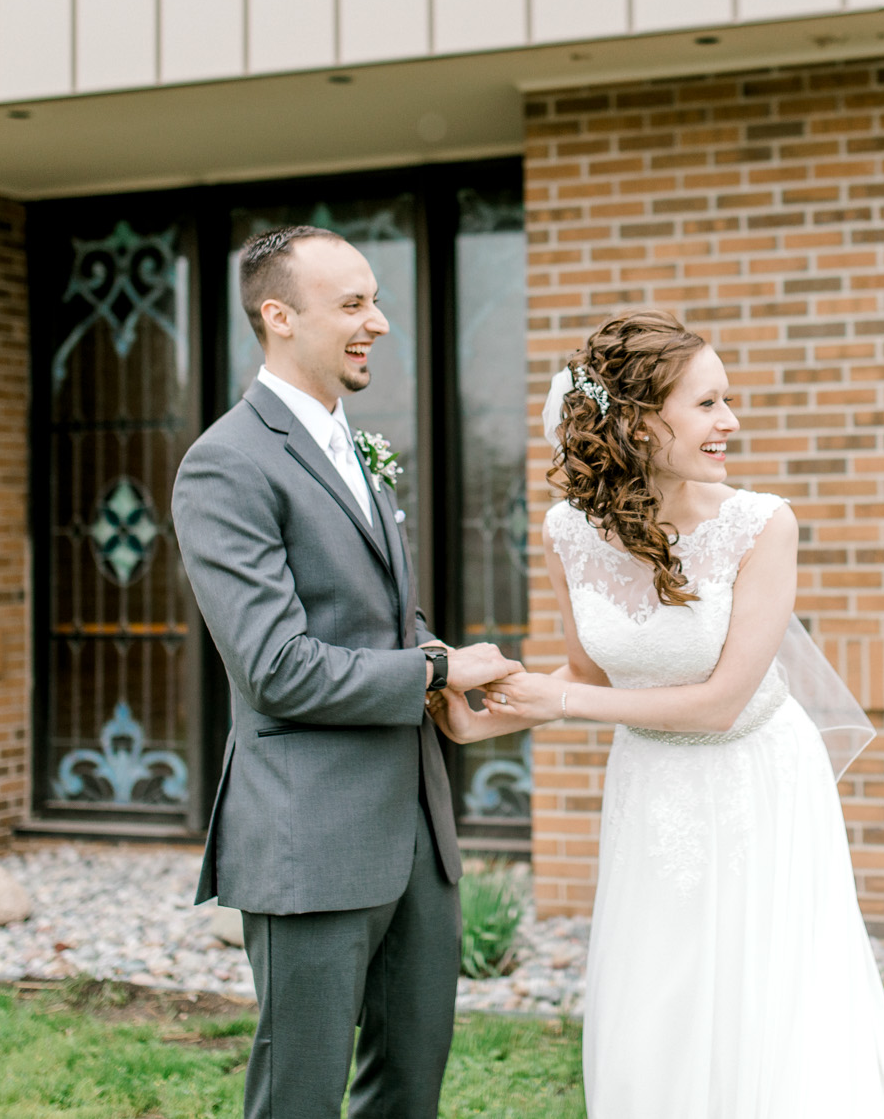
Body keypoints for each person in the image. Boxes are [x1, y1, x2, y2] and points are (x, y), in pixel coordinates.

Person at [437, 308, 884, 1118]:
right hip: (649, 782)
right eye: (707, 404)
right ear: (634, 418)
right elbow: (592, 672)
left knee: (765, 1000)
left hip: (756, 777)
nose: (730, 421)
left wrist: (558, 697)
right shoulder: (569, 530)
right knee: (656, 992)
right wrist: (480, 717)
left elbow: (721, 699)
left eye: (726, 401)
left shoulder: (760, 524)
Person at [172, 225, 520, 1119]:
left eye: (377, 300)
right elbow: (277, 667)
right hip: (310, 836)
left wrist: (440, 659)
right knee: (300, 1097)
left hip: (414, 829)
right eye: (355, 304)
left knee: (409, 1086)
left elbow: (372, 619)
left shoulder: (350, 444)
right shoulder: (227, 463)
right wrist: (435, 672)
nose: (382, 323)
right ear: (279, 315)